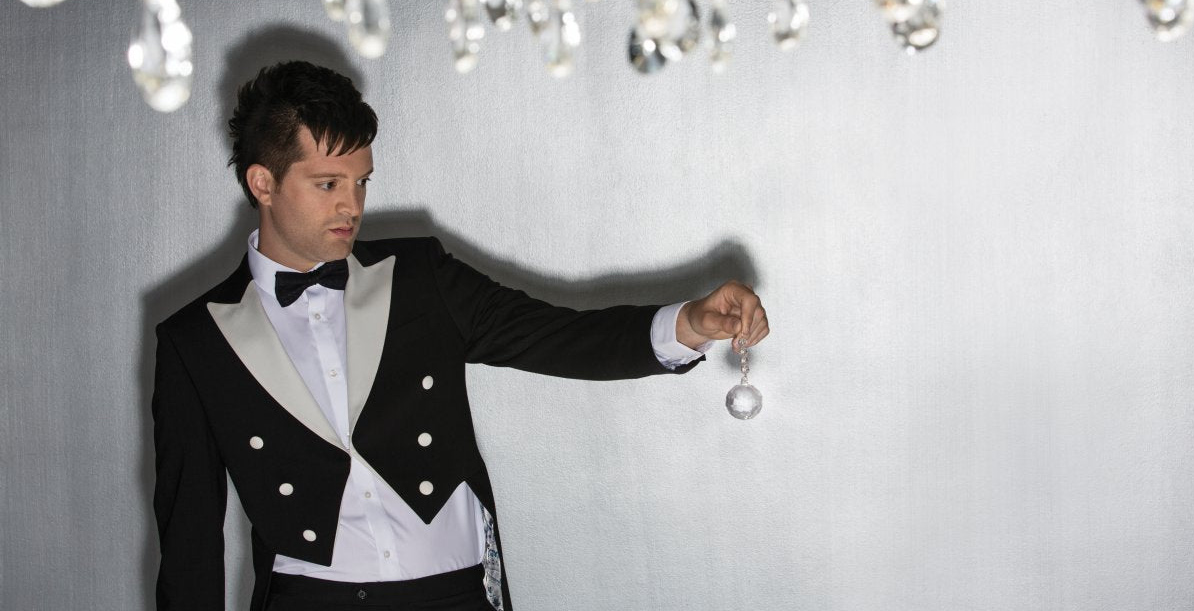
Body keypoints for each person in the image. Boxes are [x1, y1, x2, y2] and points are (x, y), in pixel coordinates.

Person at [152, 61, 769, 611]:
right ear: (263, 183)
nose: (352, 206)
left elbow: (558, 335)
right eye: (328, 184)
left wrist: (688, 323)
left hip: (453, 595)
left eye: (362, 181)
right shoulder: (196, 342)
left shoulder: (420, 278)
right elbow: (189, 545)